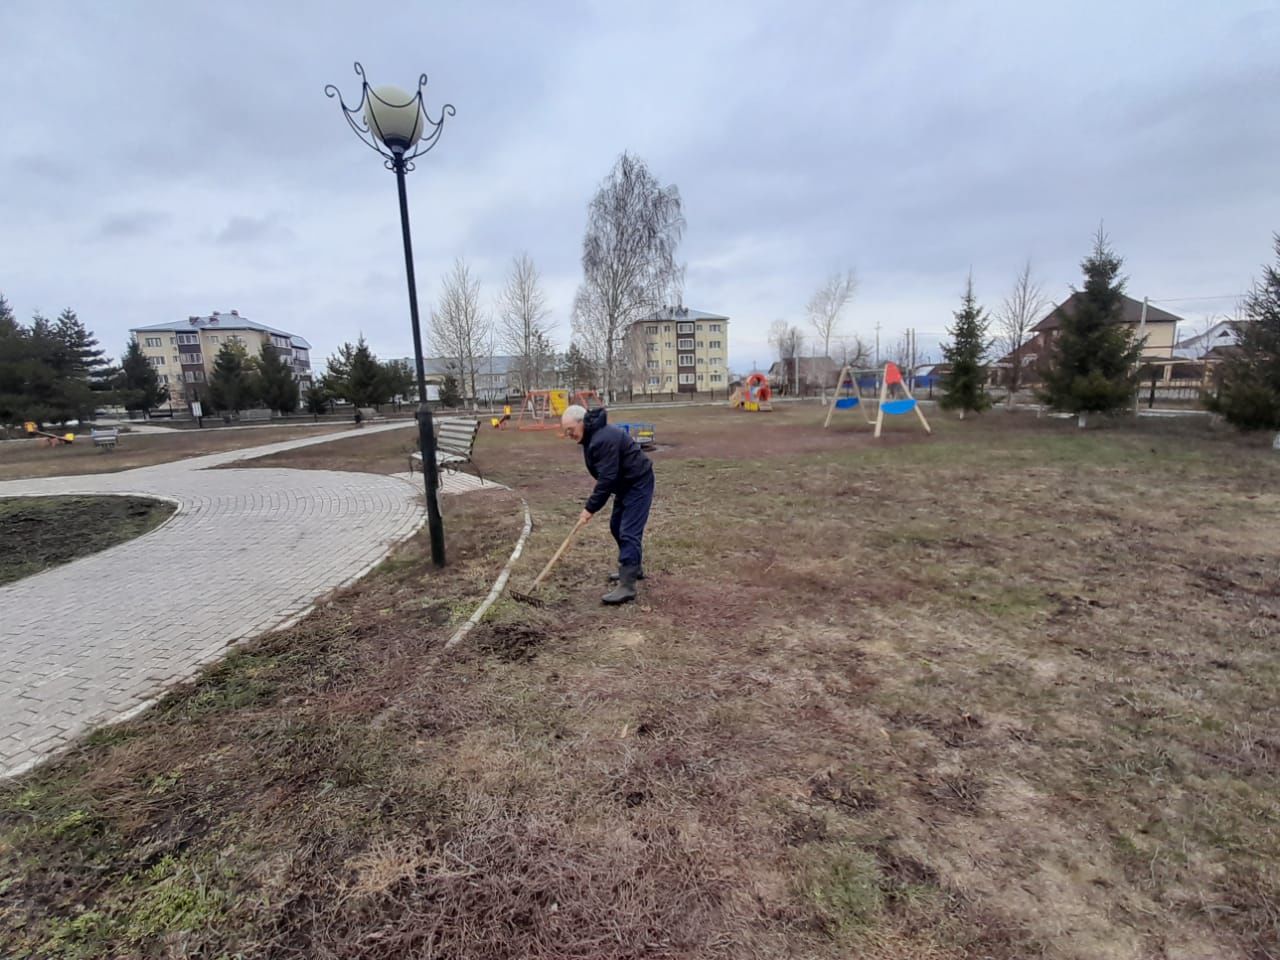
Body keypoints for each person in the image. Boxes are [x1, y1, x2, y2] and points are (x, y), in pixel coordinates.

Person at [559, 404, 654, 604]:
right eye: (565, 431)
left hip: (637, 482)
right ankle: (633, 567)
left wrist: (590, 508)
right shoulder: (591, 436)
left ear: (581, 422)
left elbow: (607, 478)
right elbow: (608, 476)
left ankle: (627, 586)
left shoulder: (602, 439)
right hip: (624, 484)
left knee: (628, 531)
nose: (569, 435)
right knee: (616, 526)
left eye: (571, 430)